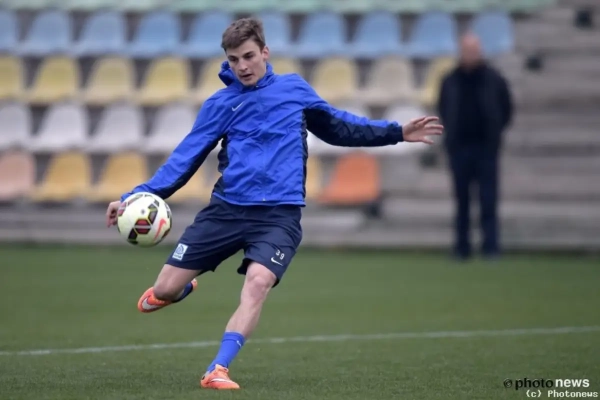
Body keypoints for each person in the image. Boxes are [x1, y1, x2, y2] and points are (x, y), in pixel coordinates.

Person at [105, 17, 443, 390]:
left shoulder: (293, 89)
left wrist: (397, 132)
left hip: (278, 216)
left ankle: (218, 369)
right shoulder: (221, 104)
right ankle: (179, 290)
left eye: (249, 56)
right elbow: (184, 159)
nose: (242, 66)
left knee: (258, 281)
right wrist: (133, 197)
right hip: (226, 211)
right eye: (234, 59)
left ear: (265, 52)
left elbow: (339, 126)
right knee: (165, 289)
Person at [438, 33, 513, 261]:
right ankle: (462, 248)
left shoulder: (494, 79)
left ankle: (491, 247)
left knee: (488, 199)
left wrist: (495, 133)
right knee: (462, 201)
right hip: (459, 148)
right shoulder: (450, 80)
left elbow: (506, 108)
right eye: (467, 50)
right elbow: (443, 108)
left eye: (474, 50)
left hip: (486, 148)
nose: (470, 54)